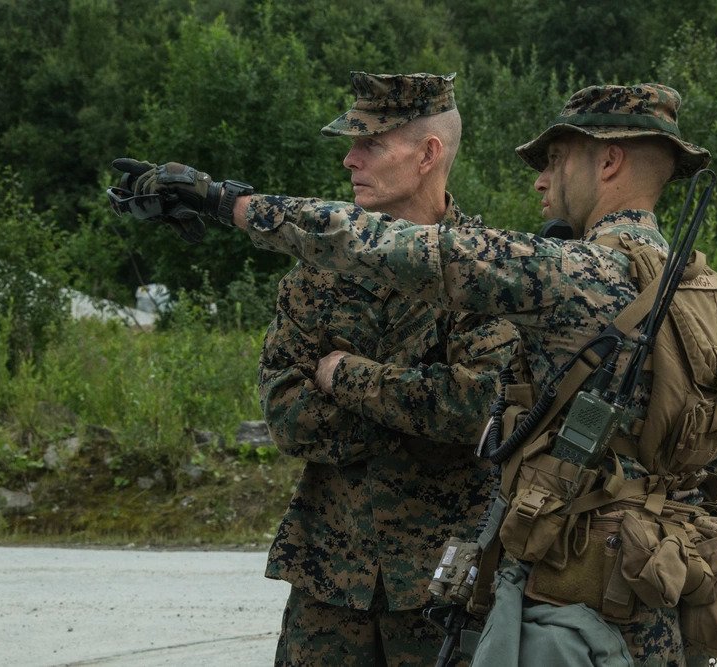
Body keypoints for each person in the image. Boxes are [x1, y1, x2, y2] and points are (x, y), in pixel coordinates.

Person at [115, 82, 717, 665]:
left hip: (580, 602)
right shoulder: (702, 289)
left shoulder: (572, 273)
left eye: (555, 160)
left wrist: (225, 201)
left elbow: (381, 246)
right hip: (658, 596)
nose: (541, 181)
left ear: (608, 161)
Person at [260, 72, 520, 665]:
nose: (350, 159)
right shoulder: (317, 273)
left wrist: (345, 377)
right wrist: (414, 408)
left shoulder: (488, 272)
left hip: (446, 581)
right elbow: (287, 417)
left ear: (428, 154)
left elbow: (475, 407)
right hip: (329, 577)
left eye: (371, 143)